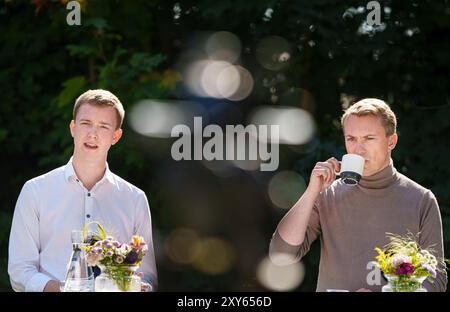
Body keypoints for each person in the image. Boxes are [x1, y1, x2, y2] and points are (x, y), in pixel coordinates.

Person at [269, 98, 447, 292]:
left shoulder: (421, 200)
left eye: (369, 138)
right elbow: (281, 255)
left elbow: (436, 281)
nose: (358, 150)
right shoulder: (327, 194)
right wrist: (312, 191)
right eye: (351, 139)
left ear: (391, 141)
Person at [8, 89, 157, 292]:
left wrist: (139, 286)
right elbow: (20, 271)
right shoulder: (35, 191)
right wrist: (63, 290)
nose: (92, 134)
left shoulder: (135, 199)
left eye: (103, 127)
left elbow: (148, 275)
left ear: (116, 136)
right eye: (85, 123)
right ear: (72, 128)